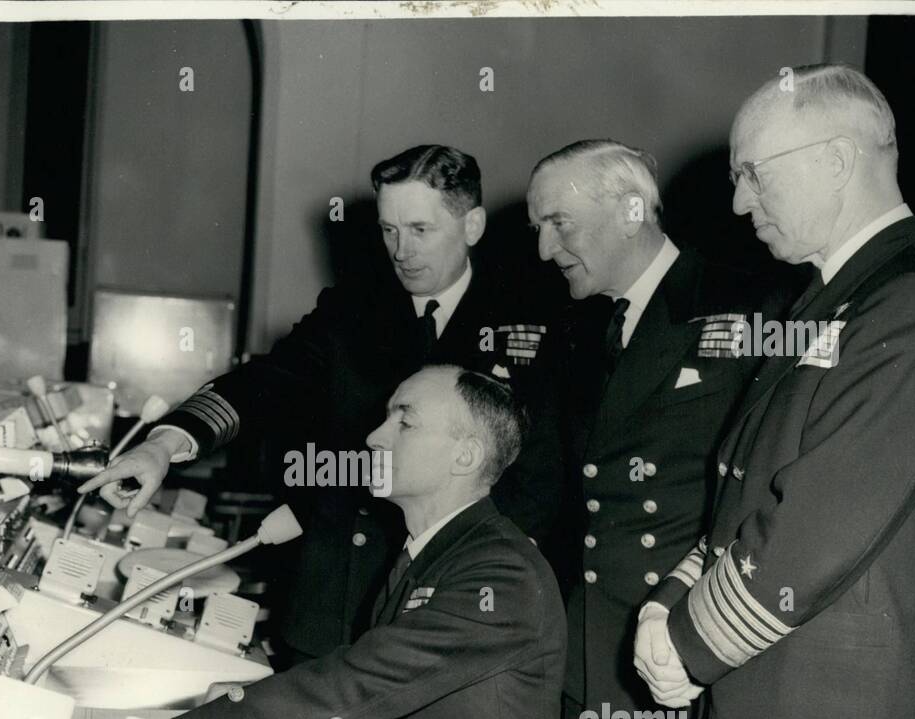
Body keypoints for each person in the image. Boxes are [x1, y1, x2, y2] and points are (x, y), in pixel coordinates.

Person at [634, 64, 915, 719]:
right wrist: (667, 603)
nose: (738, 203)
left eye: (753, 174)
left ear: (838, 161)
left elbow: (814, 524)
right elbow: (743, 496)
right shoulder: (830, 301)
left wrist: (690, 643)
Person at [79, 144, 564, 666]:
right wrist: (165, 444)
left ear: (471, 225)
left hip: (458, 595)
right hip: (339, 594)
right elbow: (264, 381)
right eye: (389, 230)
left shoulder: (528, 319)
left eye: (421, 230)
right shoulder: (352, 311)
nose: (401, 251)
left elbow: (541, 475)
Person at [171, 365, 566, 719]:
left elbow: (356, 685)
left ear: (465, 455)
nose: (374, 437)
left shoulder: (499, 574)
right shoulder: (434, 552)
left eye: (405, 422)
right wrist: (240, 715)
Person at [527, 140, 762, 719]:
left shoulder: (740, 306)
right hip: (589, 643)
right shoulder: (578, 330)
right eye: (537, 226)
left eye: (560, 223)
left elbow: (755, 496)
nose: (543, 247)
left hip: (675, 646)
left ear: (632, 211)